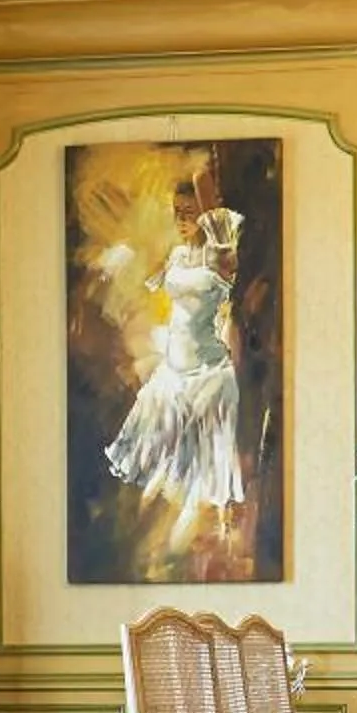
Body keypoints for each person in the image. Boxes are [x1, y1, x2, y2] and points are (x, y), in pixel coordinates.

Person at [101, 166, 245, 534]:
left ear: (206, 213)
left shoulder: (221, 253)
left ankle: (221, 533)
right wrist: (125, 242)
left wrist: (199, 182)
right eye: (175, 212)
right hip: (173, 372)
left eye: (188, 212)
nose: (180, 219)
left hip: (208, 374)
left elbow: (201, 180)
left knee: (209, 478)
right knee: (150, 468)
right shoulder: (179, 256)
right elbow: (150, 275)